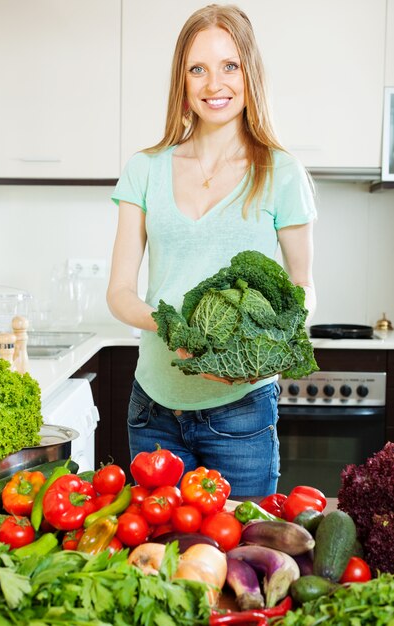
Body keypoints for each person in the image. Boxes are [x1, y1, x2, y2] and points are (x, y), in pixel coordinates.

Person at [107, 4, 317, 497]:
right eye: (197, 68)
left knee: (245, 561)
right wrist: (171, 327)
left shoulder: (282, 172)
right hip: (154, 407)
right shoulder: (145, 169)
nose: (213, 83)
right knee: (161, 566)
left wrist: (258, 356)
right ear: (182, 81)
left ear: (250, 73)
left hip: (243, 409)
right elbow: (118, 292)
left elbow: (303, 287)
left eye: (229, 66)